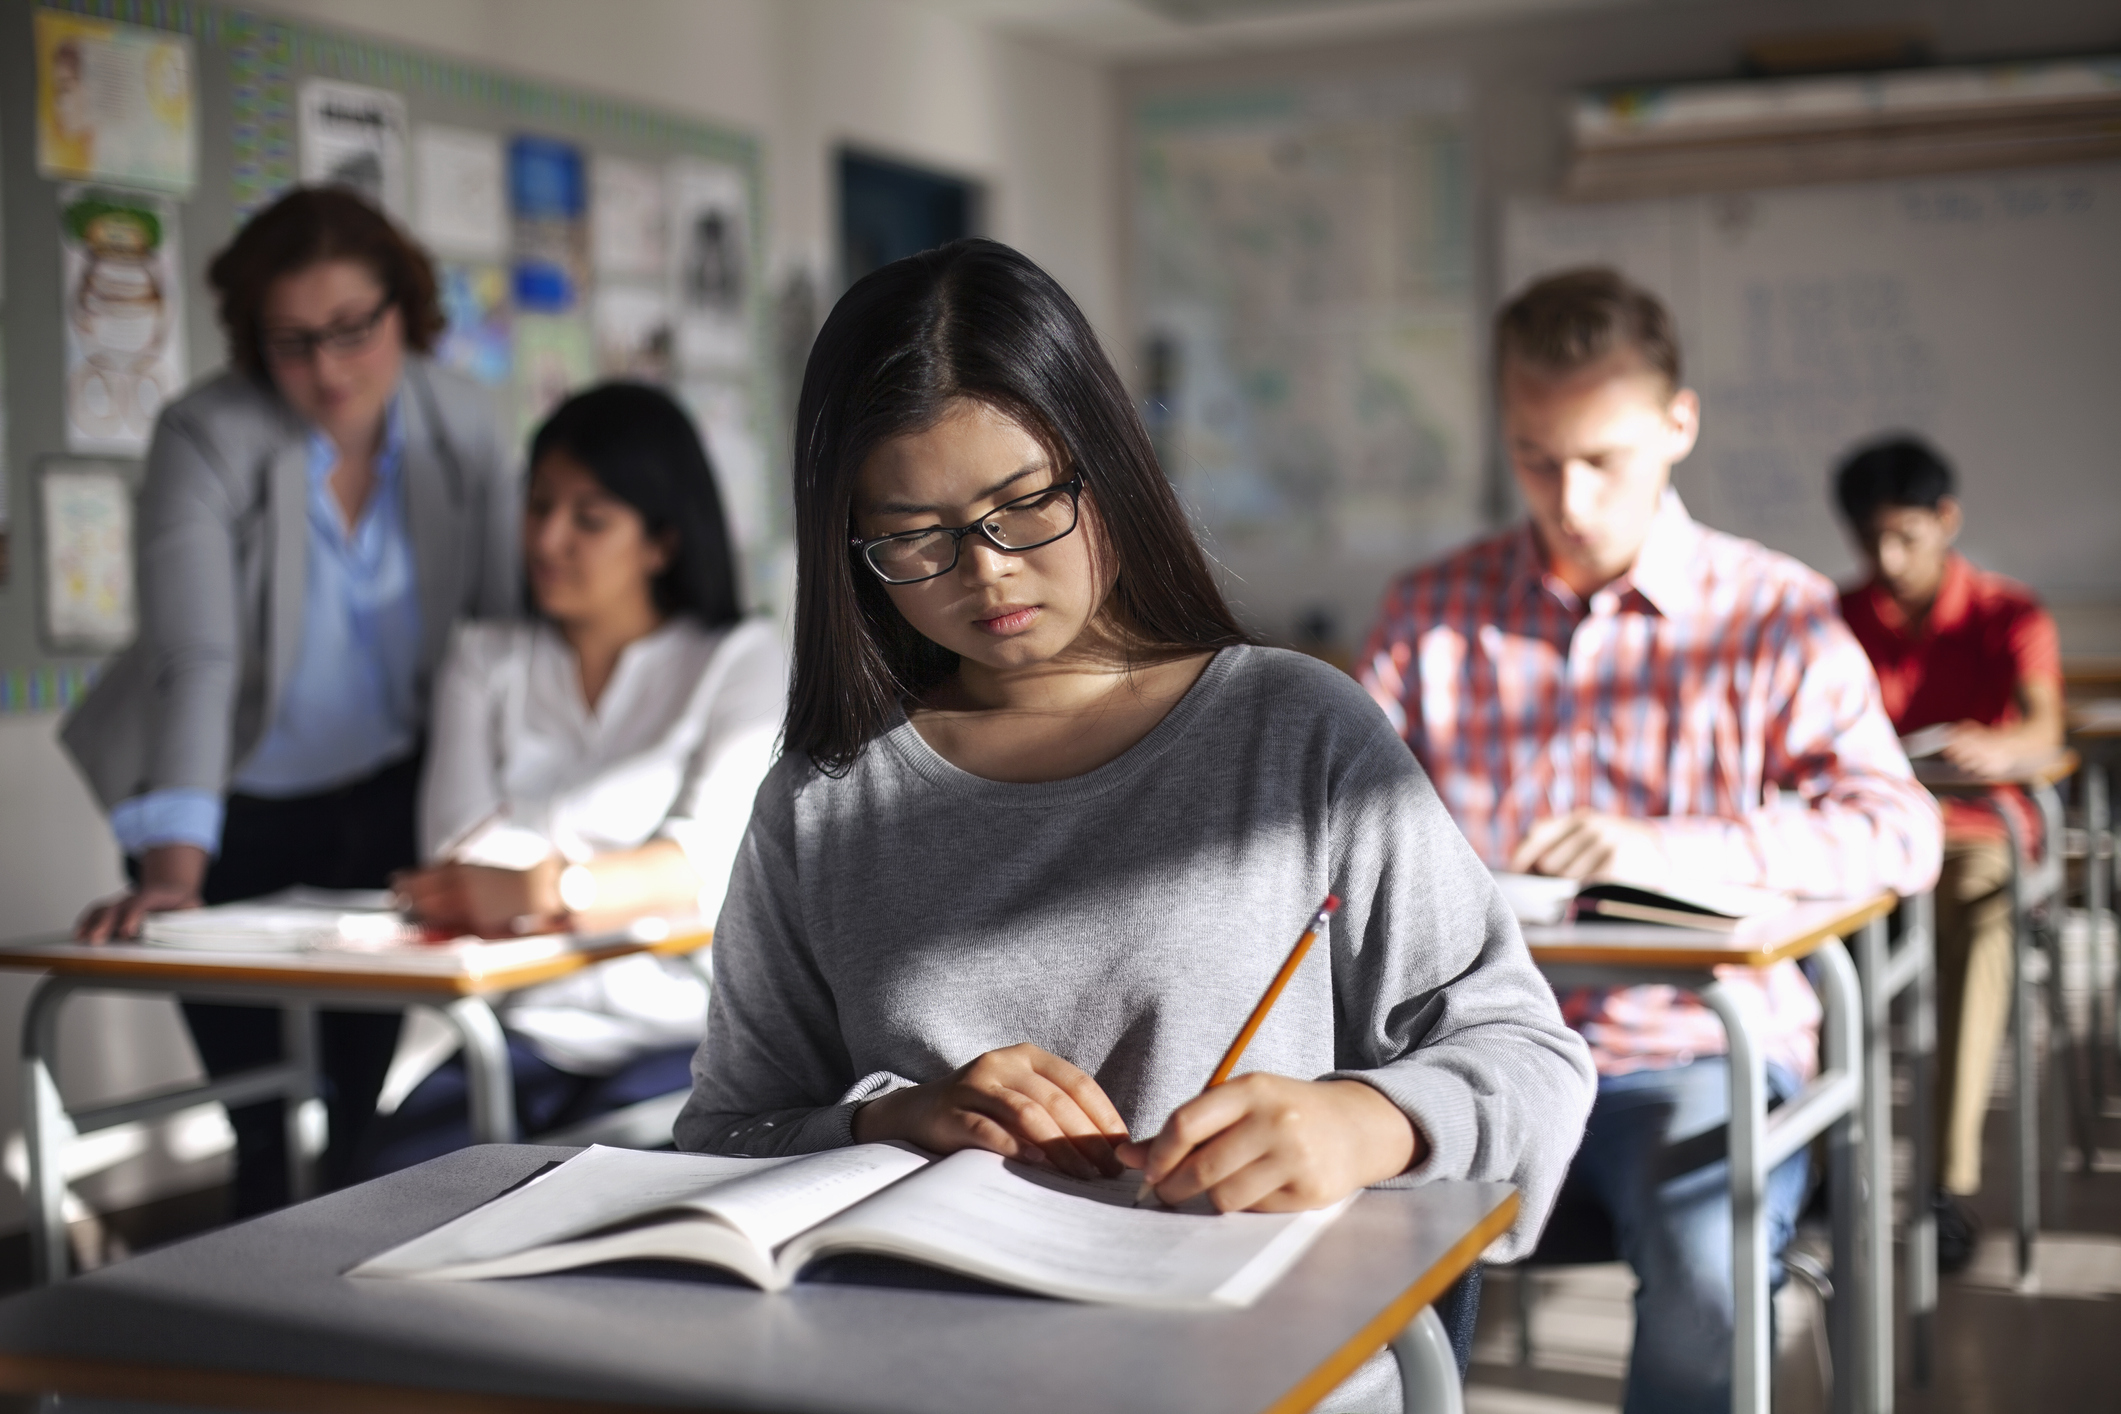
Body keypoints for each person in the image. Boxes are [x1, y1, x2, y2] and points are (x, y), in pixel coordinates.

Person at [673, 238, 1595, 1414]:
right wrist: (887, 1118)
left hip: (1245, 1371)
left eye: (1025, 506)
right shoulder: (825, 798)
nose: (987, 574)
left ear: (1102, 467)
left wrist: (1367, 1122)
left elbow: (1532, 1061)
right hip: (920, 1369)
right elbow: (718, 1140)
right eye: (915, 535)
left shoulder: (1292, 734)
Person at [1357, 268, 1941, 1414]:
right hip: (1465, 1049)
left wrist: (1667, 849)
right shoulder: (1429, 611)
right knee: (1315, 1258)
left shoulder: (1773, 613)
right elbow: (1329, 839)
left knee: (1709, 1273)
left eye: (1602, 458)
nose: (1567, 497)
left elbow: (1897, 828)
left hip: (1686, 1054)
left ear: (1679, 425)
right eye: (1534, 454)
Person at [65, 187, 518, 1216]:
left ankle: (341, 1324)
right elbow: (197, 657)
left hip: (385, 797)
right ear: (254, 340)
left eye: (353, 329)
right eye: (292, 342)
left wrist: (496, 838)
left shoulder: (464, 425)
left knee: (353, 1114)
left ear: (404, 306)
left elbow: (496, 642)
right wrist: (176, 880)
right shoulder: (205, 435)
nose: (327, 369)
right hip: (223, 803)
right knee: (263, 1119)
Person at [360, 383, 785, 1173]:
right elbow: (458, 856)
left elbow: (702, 862)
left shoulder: (737, 658)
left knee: (591, 1193)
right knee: (382, 1187)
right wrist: (609, 879)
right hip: (514, 1028)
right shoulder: (483, 657)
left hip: (677, 1029)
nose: (549, 538)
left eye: (589, 519)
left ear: (661, 541)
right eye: (538, 506)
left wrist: (546, 886)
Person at [1833, 435, 2062, 1271]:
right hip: (1871, 841)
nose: (1888, 560)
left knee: (1981, 918)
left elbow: (2043, 728)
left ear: (1945, 520)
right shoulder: (1836, 615)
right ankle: (1821, 1164)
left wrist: (2003, 747)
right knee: (1810, 947)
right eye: (1870, 542)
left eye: (1906, 537)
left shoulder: (2009, 612)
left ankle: (1945, 1182)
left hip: (1973, 838)